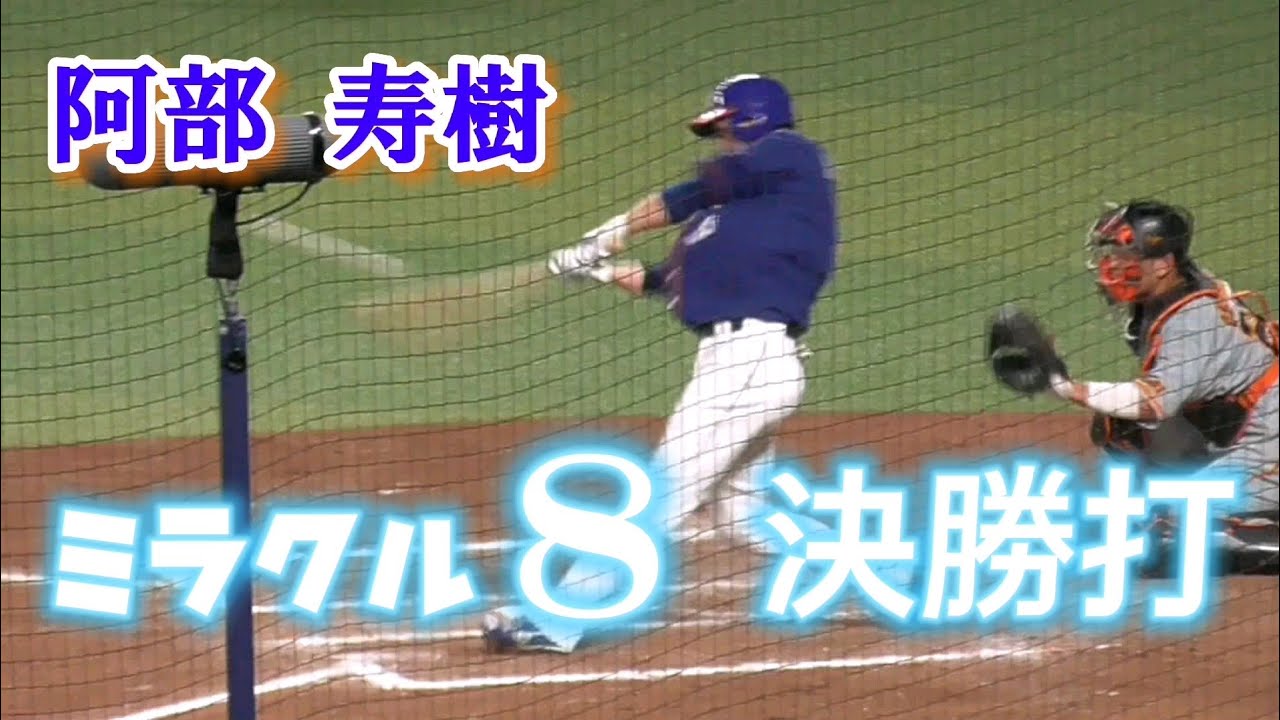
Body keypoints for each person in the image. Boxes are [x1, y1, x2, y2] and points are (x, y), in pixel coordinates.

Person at [480, 73, 841, 653]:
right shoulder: (732, 218)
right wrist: (597, 269)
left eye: (724, 126)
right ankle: (903, 571)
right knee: (744, 516)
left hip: (749, 361)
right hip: (744, 364)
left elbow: (688, 194)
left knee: (663, 490)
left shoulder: (789, 155)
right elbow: (664, 281)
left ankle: (558, 619)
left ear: (753, 119)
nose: (720, 139)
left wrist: (612, 232)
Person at [1047, 200, 1278, 575]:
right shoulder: (1172, 291)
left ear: (1163, 264)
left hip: (1272, 435)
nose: (1112, 265)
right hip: (1253, 423)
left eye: (1126, 256)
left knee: (1174, 533)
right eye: (1112, 254)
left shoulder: (1190, 320)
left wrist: (1068, 388)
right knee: (1119, 425)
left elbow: (1155, 403)